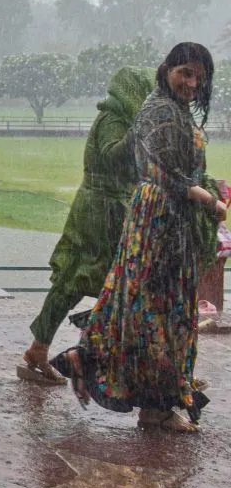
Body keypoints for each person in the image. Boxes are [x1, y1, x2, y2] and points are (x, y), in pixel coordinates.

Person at [51, 43, 222, 433]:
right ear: (166, 69)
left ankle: (95, 361)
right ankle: (155, 407)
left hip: (169, 218)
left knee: (147, 307)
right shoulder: (158, 110)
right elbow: (160, 171)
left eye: (199, 76)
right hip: (159, 218)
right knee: (157, 312)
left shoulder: (173, 110)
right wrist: (206, 198)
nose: (192, 83)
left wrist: (203, 192)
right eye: (185, 73)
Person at [18, 66, 152, 384]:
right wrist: (138, 132)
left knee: (85, 280)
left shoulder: (124, 120)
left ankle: (50, 345)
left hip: (110, 207)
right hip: (100, 211)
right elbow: (112, 157)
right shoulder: (113, 120)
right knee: (97, 279)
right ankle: (97, 351)